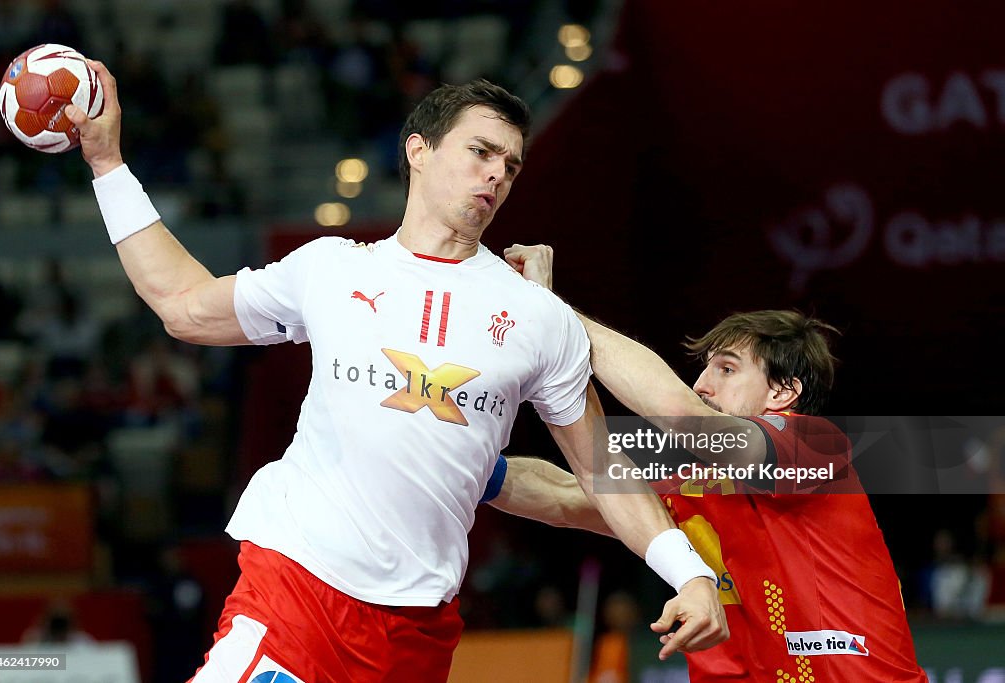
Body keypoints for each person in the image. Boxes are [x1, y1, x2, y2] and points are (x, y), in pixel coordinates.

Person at [64, 65, 726, 682]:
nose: (496, 174)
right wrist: (107, 162)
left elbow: (597, 472)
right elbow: (184, 307)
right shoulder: (330, 267)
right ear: (418, 150)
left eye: (511, 165)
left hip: (417, 633)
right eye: (480, 152)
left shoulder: (536, 315)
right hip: (296, 591)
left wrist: (690, 574)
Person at [492, 245, 927, 681]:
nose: (702, 384)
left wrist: (552, 314)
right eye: (705, 369)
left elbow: (684, 417)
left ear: (781, 394)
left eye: (727, 369)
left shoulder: (815, 447)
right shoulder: (693, 486)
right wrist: (468, 467)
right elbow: (566, 497)